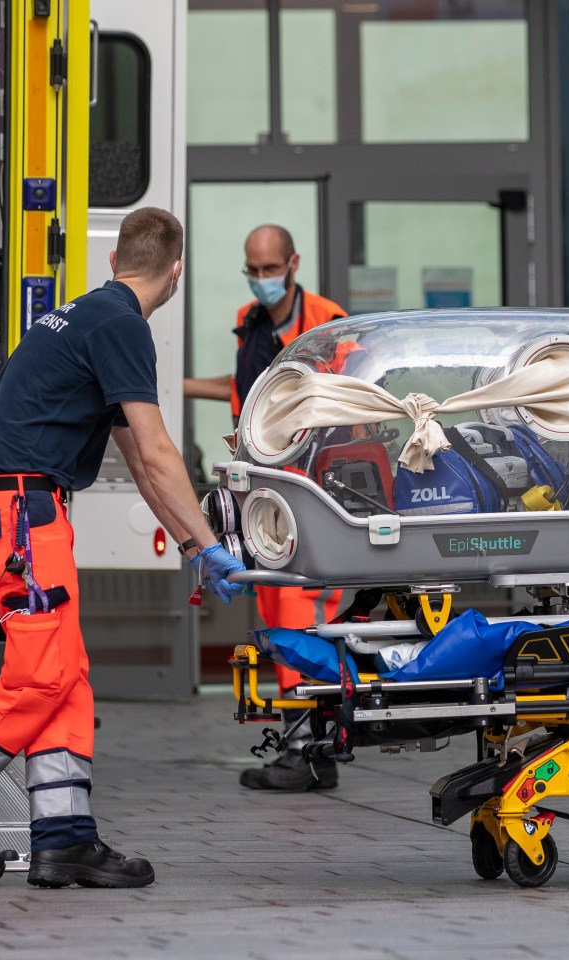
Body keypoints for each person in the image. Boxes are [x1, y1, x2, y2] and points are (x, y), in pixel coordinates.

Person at [0, 207, 247, 888]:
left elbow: (140, 460)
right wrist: (209, 539)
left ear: (113, 262)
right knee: (42, 674)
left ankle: (64, 838)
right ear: (176, 271)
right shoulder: (123, 327)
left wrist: (196, 550)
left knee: (66, 673)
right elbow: (163, 451)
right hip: (20, 514)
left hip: (16, 511)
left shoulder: (85, 317)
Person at [184, 224, 348, 792]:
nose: (261, 281)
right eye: (252, 270)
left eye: (269, 269)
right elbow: (246, 390)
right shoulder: (251, 325)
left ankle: (309, 749)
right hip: (265, 493)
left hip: (312, 493)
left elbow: (347, 408)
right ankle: (306, 747)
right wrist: (178, 386)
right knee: (281, 615)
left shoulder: (328, 325)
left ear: (293, 263)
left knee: (303, 616)